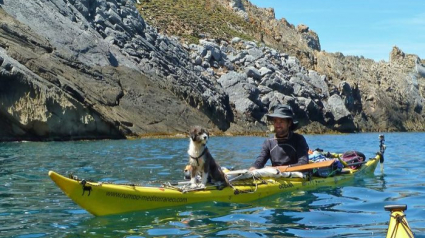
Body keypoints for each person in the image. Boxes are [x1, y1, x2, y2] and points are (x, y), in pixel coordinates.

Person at [249, 104, 309, 170]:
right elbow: (260, 161)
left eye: (281, 121)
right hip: (277, 176)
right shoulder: (269, 142)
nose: (278, 125)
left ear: (289, 123)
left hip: (296, 176)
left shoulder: (298, 139)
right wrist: (254, 168)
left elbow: (303, 162)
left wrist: (283, 168)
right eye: (275, 121)